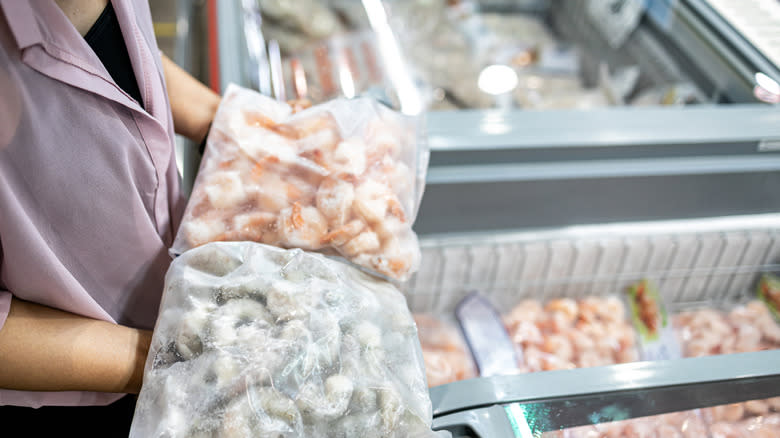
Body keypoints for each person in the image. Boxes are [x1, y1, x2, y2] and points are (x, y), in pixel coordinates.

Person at [0, 0, 221, 434]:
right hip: (75, 401)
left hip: (174, 325)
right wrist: (165, 358)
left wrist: (224, 122)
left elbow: (113, 55)